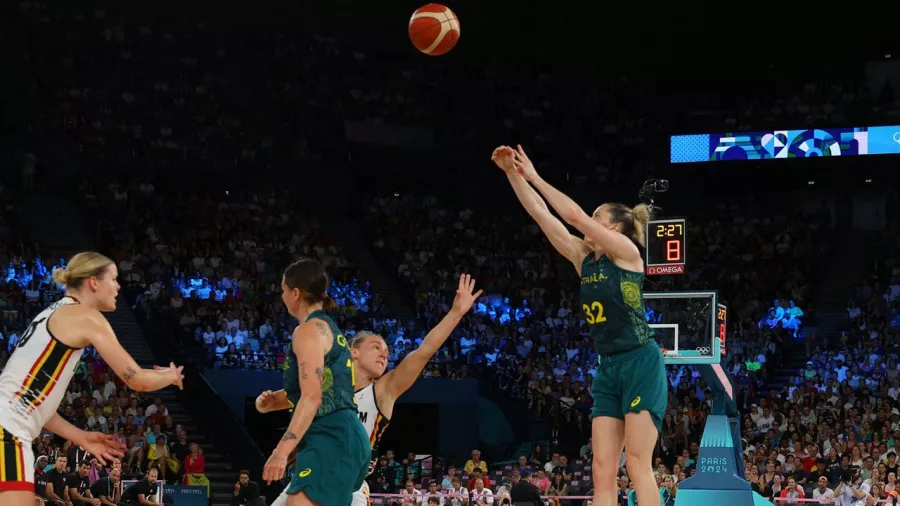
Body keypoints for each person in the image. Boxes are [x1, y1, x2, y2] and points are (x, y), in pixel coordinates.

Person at [493, 145, 665, 506]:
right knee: (601, 468)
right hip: (608, 366)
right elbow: (543, 215)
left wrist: (534, 175)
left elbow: (571, 215)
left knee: (636, 463)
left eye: (595, 215)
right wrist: (511, 173)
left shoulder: (626, 252)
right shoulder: (583, 258)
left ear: (613, 227)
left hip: (640, 361)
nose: (589, 217)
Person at [262, 273, 482, 506]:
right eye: (376, 347)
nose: (384, 353)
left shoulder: (383, 391)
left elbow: (423, 352)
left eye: (386, 351)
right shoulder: (326, 386)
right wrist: (265, 403)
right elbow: (284, 401)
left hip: (350, 485)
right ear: (353, 352)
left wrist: (456, 312)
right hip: (313, 472)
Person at [0, 252, 185, 505]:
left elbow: (32, 403)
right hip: (8, 429)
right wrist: (171, 376)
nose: (119, 286)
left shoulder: (51, 313)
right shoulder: (86, 316)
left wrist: (79, 436)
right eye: (114, 278)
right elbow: (137, 379)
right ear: (93, 282)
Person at [257, 258, 370, 506]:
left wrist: (280, 451)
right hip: (343, 438)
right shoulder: (329, 330)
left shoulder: (308, 331)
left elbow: (313, 397)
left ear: (295, 293)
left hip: (331, 436)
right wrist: (272, 401)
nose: (282, 296)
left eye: (283, 290)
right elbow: (321, 389)